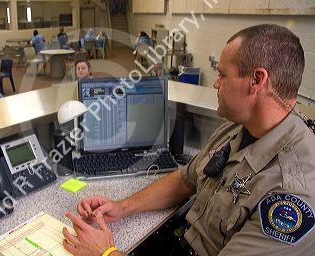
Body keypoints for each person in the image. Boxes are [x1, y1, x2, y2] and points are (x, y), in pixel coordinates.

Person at [62, 24, 315, 256]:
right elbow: (186, 179)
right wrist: (121, 207)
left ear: (257, 81)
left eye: (223, 75)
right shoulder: (237, 129)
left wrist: (104, 253)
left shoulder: (291, 193)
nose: (215, 83)